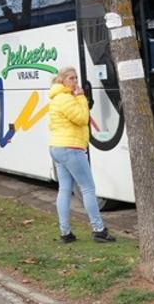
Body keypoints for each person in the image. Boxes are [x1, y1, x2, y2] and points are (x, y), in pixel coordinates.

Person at [47, 66, 115, 244]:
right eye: (71, 78)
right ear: (61, 80)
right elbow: (82, 118)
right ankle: (98, 230)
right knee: (88, 188)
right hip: (71, 148)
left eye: (76, 78)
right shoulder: (66, 98)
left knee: (64, 189)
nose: (75, 82)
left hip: (58, 147)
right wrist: (81, 98)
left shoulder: (57, 97)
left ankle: (65, 233)